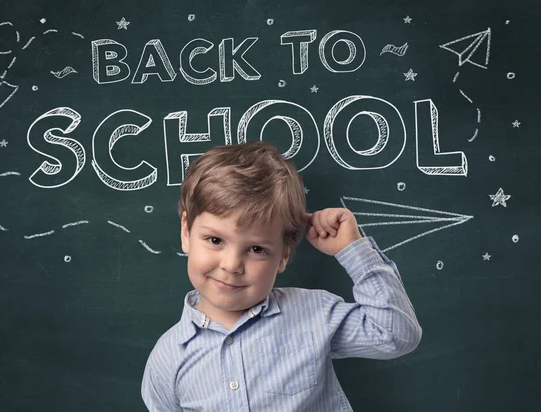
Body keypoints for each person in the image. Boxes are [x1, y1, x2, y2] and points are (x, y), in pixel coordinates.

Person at [141, 140, 422, 411]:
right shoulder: (167, 359)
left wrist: (352, 250)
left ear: (283, 255)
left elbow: (397, 334)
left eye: (256, 249)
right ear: (186, 231)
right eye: (215, 240)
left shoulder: (313, 314)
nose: (231, 265)